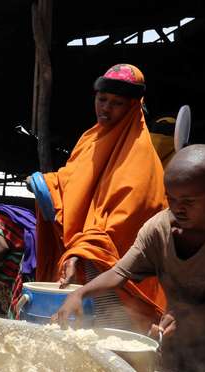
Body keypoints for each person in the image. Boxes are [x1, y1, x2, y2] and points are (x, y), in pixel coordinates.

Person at [53, 145, 205, 372]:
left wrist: (192, 314)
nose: (178, 208)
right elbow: (120, 272)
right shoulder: (159, 228)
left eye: (189, 201)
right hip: (170, 345)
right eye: (171, 198)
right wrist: (80, 293)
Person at [33, 64, 167, 332]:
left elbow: (123, 223)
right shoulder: (89, 139)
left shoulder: (140, 157)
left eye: (117, 103)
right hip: (80, 257)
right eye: (102, 99)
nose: (105, 108)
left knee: (111, 338)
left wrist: (81, 253)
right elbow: (74, 181)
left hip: (111, 274)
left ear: (133, 107)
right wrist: (47, 184)